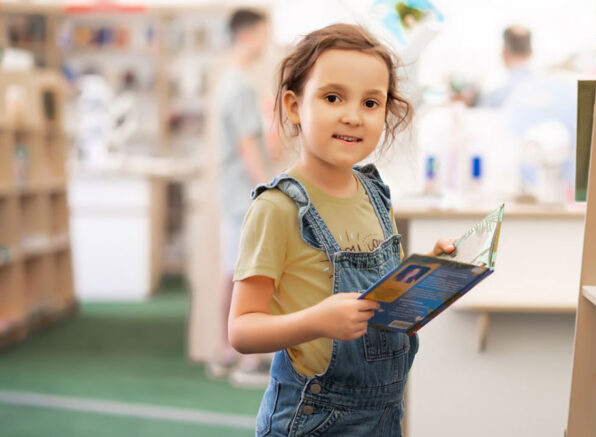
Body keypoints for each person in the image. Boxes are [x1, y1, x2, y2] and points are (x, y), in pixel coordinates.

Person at [228, 24, 456, 436]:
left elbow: (384, 311)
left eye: (371, 102)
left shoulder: (375, 194)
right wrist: (317, 321)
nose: (353, 115)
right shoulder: (277, 209)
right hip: (313, 419)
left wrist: (429, 278)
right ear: (294, 106)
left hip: (385, 414)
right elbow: (242, 330)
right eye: (333, 97)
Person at [209, 8, 274, 387]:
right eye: (266, 34)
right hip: (241, 195)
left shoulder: (231, 82)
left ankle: (225, 353)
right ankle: (242, 361)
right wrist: (269, 190)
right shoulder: (239, 85)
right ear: (250, 34)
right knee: (240, 276)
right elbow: (248, 145)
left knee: (231, 273)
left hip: (232, 193)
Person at [479, 25, 577, 202]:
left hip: (514, 198)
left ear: (504, 53)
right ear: (531, 51)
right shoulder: (562, 90)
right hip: (564, 199)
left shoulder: (497, 98)